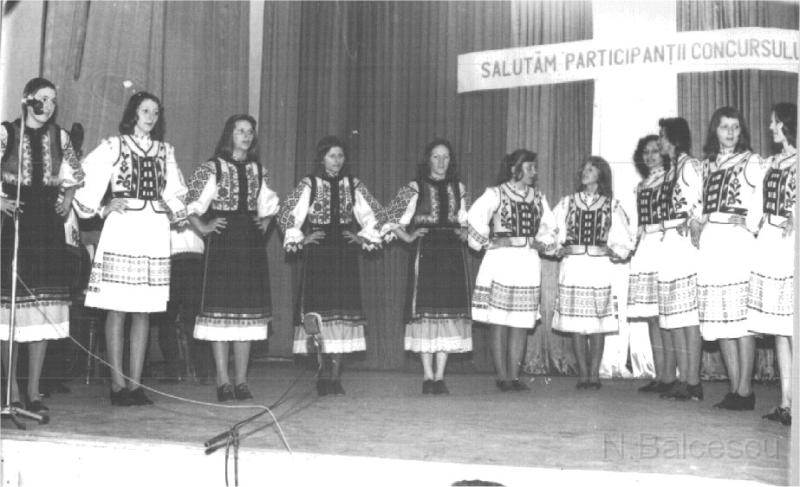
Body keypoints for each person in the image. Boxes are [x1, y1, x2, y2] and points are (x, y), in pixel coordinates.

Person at [73, 91, 187, 406]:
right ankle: (117, 384)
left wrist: (176, 210)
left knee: (144, 309)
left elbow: (175, 190)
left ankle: (136, 385)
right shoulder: (115, 145)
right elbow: (82, 176)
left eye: (155, 112)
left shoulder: (165, 150)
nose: (150, 117)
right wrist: (102, 207)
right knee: (117, 307)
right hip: (123, 228)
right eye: (145, 111)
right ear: (133, 114)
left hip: (153, 229)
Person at [1, 77, 83, 413]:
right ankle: (11, 390)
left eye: (52, 100)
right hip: (16, 225)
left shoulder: (60, 137)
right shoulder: (6, 133)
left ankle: (34, 391)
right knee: (10, 312)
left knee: (43, 310)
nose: (48, 106)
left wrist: (68, 199)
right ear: (27, 99)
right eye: (42, 98)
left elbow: (75, 174)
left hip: (48, 229)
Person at [277, 136, 383, 396]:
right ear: (322, 158)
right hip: (320, 253)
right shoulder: (310, 183)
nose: (337, 161)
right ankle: (323, 373)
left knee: (342, 315)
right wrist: (301, 238)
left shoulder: (353, 184)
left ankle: (335, 375)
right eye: (332, 156)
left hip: (344, 253)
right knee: (320, 314)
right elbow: (287, 213)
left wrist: (362, 238)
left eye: (341, 156)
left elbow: (375, 214)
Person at [186, 114, 278, 402]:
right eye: (240, 131)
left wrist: (266, 221)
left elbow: (269, 205)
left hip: (249, 245)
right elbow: (190, 203)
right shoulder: (212, 167)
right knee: (220, 314)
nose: (246, 136)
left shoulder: (258, 170)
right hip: (223, 244)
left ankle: (241, 380)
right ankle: (223, 380)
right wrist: (203, 227)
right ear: (230, 135)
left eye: (250, 131)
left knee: (245, 316)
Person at [381, 139, 471, 395]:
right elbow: (389, 217)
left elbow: (468, 220)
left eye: (446, 157)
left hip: (451, 253)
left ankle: (440, 376)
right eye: (436, 157)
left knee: (447, 313)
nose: (441, 162)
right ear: (428, 160)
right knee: (425, 312)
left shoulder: (459, 188)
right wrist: (408, 237)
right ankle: (427, 375)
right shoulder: (415, 187)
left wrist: (466, 231)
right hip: (426, 251)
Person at [467, 150, 556, 392]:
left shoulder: (538, 197)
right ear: (514, 169)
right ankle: (502, 376)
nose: (534, 172)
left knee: (520, 321)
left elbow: (550, 227)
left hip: (526, 261)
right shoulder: (496, 193)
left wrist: (542, 243)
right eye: (529, 167)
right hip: (501, 261)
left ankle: (514, 376)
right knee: (499, 320)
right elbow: (473, 217)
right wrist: (489, 242)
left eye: (534, 167)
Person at [695, 106, 765, 411]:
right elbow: (698, 203)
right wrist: (696, 221)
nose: (730, 133)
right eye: (725, 127)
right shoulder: (706, 165)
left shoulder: (752, 161)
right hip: (713, 242)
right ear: (715, 130)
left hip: (737, 243)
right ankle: (734, 388)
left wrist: (750, 222)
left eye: (735, 127)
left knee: (742, 320)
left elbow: (764, 199)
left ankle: (746, 390)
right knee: (721, 318)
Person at [550, 156, 634, 389]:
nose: (584, 173)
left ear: (600, 175)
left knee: (597, 323)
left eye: (590, 170)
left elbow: (625, 237)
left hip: (598, 268)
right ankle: (583, 374)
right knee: (576, 324)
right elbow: (551, 229)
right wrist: (558, 248)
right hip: (574, 266)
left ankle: (594, 374)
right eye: (584, 169)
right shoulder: (567, 203)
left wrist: (613, 250)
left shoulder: (611, 205)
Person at [748, 102, 796, 425]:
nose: (770, 128)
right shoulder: (772, 163)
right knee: (780, 329)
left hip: (791, 243)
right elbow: (758, 204)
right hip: (772, 242)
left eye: (775, 122)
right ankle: (786, 402)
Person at [655, 117, 704, 401]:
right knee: (674, 316)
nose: (659, 141)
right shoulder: (672, 170)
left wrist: (694, 220)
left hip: (684, 244)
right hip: (670, 243)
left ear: (674, 139)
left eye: (662, 136)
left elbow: (701, 197)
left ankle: (693, 381)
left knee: (689, 317)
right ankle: (683, 378)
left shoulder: (689, 165)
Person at [627, 135, 676, 395]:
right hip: (646, 245)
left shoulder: (671, 178)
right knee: (652, 317)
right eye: (645, 152)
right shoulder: (642, 185)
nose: (650, 156)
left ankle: (670, 376)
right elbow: (639, 223)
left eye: (655, 151)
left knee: (665, 315)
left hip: (664, 243)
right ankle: (660, 375)